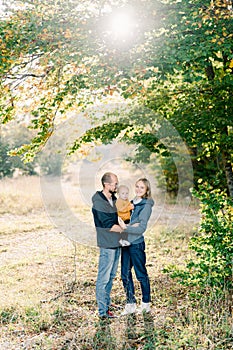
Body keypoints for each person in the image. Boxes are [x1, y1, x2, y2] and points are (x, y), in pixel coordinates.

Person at [119, 178, 154, 316]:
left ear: (146, 191)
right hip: (125, 243)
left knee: (141, 274)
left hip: (137, 244)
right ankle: (130, 304)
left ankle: (146, 304)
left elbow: (141, 227)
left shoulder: (146, 205)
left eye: (142, 188)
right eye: (137, 186)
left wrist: (126, 227)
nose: (139, 189)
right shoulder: (131, 203)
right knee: (125, 274)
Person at [92, 172, 123, 319]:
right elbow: (108, 225)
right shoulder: (99, 201)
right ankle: (102, 312)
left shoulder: (113, 199)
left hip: (116, 243)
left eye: (116, 183)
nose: (116, 186)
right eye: (114, 184)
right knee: (103, 278)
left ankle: (107, 306)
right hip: (107, 244)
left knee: (111, 277)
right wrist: (128, 230)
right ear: (106, 184)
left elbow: (118, 218)